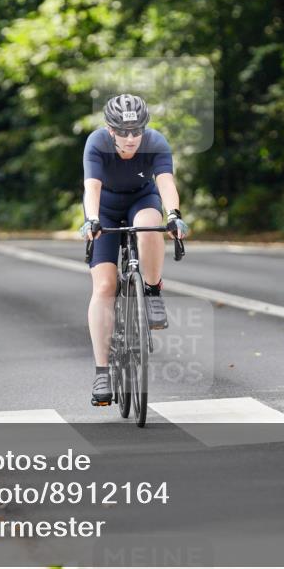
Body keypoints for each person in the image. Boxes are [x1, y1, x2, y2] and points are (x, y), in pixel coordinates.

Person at [80, 94, 189, 406]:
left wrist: (174, 215)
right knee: (104, 286)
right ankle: (102, 371)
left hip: (142, 200)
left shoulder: (155, 142)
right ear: (110, 130)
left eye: (136, 131)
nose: (130, 139)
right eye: (123, 132)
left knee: (149, 225)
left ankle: (152, 292)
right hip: (106, 207)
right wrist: (91, 220)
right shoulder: (96, 143)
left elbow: (166, 183)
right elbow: (92, 188)